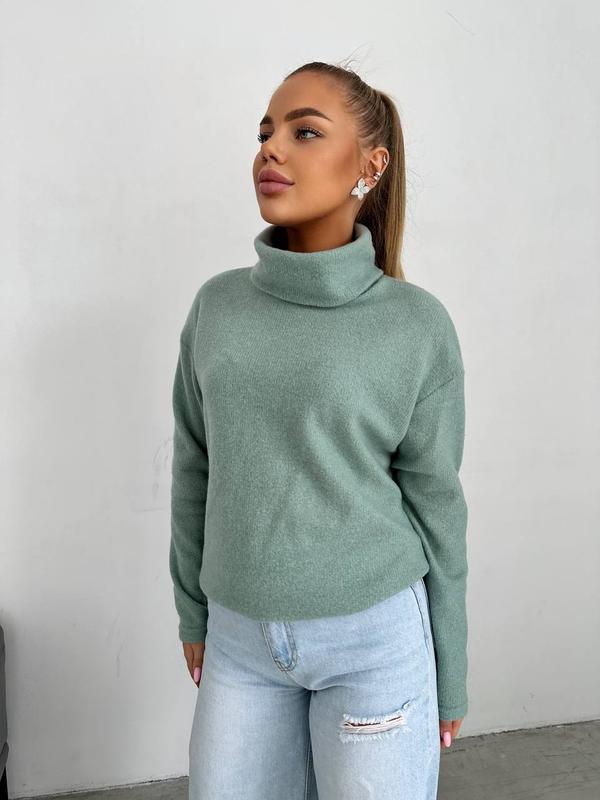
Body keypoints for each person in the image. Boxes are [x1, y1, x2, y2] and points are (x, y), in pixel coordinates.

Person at [169, 60, 469, 800]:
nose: (271, 148)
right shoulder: (217, 308)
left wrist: (452, 669)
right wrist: (191, 609)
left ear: (371, 165)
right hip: (239, 642)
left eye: (304, 132)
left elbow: (437, 503)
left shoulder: (415, 326)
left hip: (375, 642)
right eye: (265, 132)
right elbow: (195, 464)